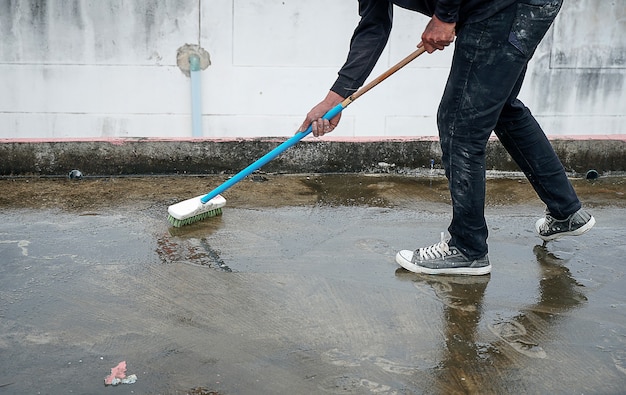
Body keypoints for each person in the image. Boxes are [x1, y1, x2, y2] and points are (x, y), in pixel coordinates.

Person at [297, 0, 595, 275]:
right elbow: (374, 27)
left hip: (504, 6)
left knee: (460, 123)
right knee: (499, 108)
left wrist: (445, 16)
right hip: (504, 8)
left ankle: (467, 248)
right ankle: (565, 211)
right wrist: (334, 99)